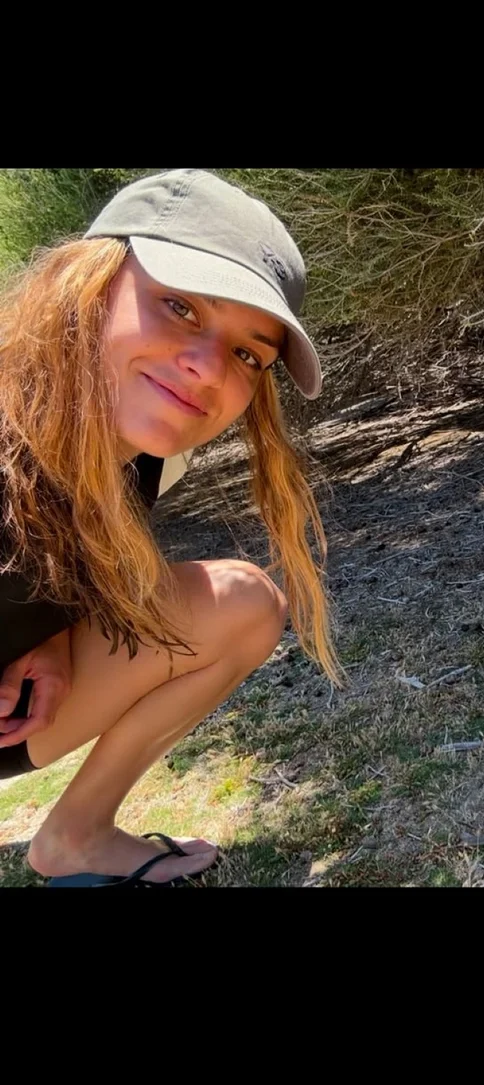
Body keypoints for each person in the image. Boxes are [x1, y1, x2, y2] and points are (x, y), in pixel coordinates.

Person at [0, 169, 342, 887]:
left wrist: (59, 630)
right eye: (180, 307)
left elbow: (70, 542)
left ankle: (78, 836)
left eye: (249, 353)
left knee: (245, 604)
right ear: (88, 281)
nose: (207, 368)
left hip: (22, 711)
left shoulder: (156, 448)